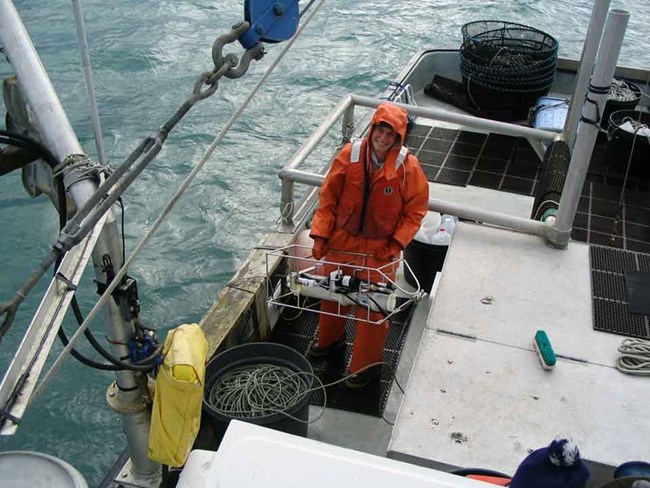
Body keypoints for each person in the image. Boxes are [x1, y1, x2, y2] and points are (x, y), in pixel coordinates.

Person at [308, 102, 429, 388]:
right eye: (381, 130)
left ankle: (365, 367)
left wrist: (397, 243)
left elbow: (416, 211)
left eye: (391, 134)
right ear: (373, 128)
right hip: (342, 242)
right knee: (333, 295)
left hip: (380, 249)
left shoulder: (408, 167)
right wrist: (320, 235)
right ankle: (329, 343)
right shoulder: (349, 155)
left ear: (399, 138)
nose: (384, 138)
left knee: (372, 309)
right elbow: (328, 199)